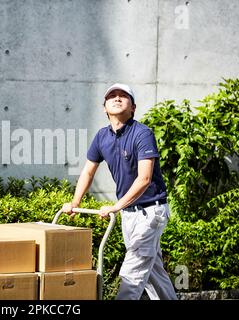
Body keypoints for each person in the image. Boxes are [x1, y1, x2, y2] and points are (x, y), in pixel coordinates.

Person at [61, 83, 177, 300]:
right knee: (153, 272)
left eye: (123, 96)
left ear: (133, 107)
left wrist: (115, 206)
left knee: (131, 274)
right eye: (111, 96)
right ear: (104, 108)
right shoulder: (101, 137)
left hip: (151, 212)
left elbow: (144, 179)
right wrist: (75, 202)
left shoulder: (142, 133)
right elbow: (87, 172)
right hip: (128, 214)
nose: (116, 98)